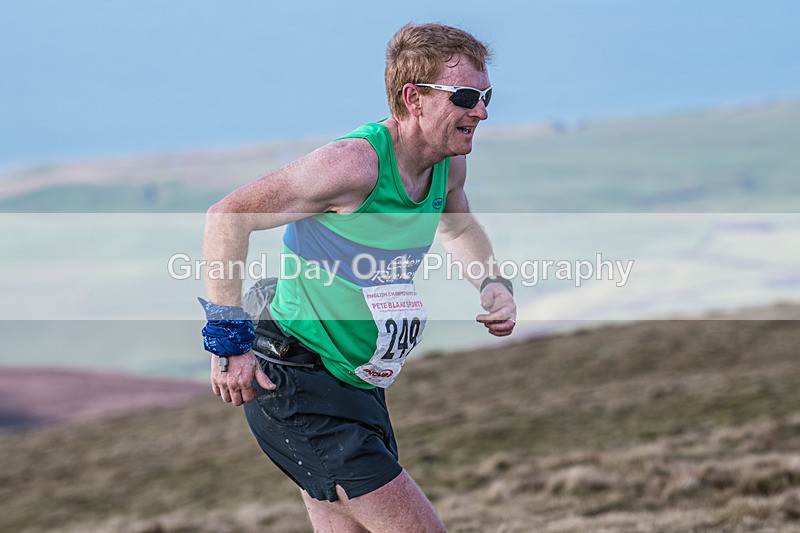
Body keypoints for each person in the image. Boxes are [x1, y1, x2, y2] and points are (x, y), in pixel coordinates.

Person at [199, 22, 517, 532]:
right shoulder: (352, 165)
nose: (481, 111)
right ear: (414, 97)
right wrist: (227, 340)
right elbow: (226, 217)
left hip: (359, 386)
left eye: (486, 96)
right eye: (464, 97)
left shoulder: (446, 165)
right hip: (296, 381)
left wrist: (491, 283)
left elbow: (457, 226)